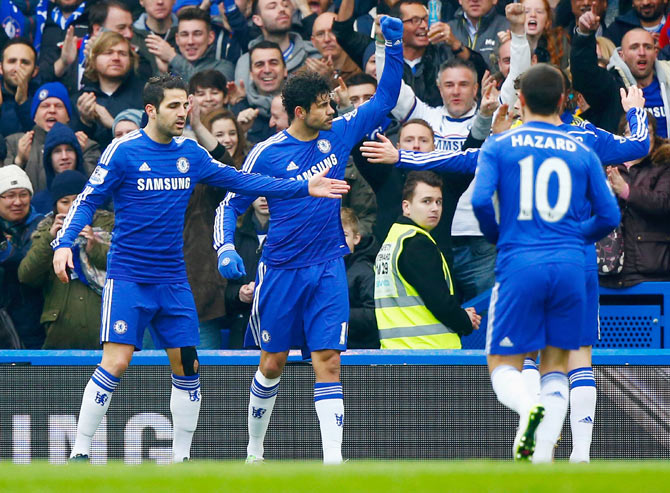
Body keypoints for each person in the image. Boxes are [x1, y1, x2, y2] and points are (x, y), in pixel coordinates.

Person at [51, 73, 350, 463]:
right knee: (117, 361)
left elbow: (242, 180)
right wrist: (63, 243)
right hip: (128, 277)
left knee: (189, 365)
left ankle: (181, 461)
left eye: (186, 105)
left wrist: (302, 186)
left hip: (174, 279)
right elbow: (88, 199)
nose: (183, 112)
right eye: (174, 105)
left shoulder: (191, 155)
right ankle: (79, 451)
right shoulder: (123, 151)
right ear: (151, 109)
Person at [215, 15, 404, 464]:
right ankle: (255, 452)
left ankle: (333, 464)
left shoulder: (338, 134)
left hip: (326, 268)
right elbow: (230, 205)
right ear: (301, 112)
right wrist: (224, 246)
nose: (333, 112)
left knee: (330, 362)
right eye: (324, 106)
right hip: (280, 270)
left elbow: (385, 100)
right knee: (272, 363)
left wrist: (391, 49)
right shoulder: (267, 152)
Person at [471, 64, 621, 463]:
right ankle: (541, 462)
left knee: (503, 364)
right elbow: (609, 216)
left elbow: (481, 201)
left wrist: (499, 236)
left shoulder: (500, 145)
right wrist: (574, 238)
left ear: (520, 100)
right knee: (557, 364)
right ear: (562, 101)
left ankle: (527, 407)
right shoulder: (582, 149)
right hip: (572, 266)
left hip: (521, 261)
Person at [374, 171, 480, 349]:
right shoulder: (417, 243)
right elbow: (440, 302)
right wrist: (465, 320)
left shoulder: (394, 240)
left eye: (438, 202)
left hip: (396, 350)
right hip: (429, 351)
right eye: (426, 201)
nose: (435, 208)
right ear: (406, 207)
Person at [19, 170, 114, 349]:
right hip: (60, 331)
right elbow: (26, 276)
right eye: (65, 202)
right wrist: (50, 239)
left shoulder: (109, 225)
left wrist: (95, 246)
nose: (73, 207)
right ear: (55, 206)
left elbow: (127, 267)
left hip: (104, 326)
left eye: (79, 199)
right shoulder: (44, 230)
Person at [572, 12, 670, 137]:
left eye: (647, 47)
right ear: (621, 55)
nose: (642, 52)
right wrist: (584, 35)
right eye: (634, 47)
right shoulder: (611, 86)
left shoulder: (668, 78)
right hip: (628, 156)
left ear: (656, 52)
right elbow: (583, 73)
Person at [600, 113, 670, 288]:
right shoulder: (609, 166)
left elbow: (663, 203)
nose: (640, 137)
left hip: (650, 267)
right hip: (609, 270)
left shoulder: (664, 165)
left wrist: (626, 191)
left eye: (647, 132)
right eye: (632, 132)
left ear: (654, 137)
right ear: (622, 138)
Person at [4, 82, 101, 193]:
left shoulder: (86, 145)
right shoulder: (14, 143)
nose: (52, 110)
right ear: (34, 116)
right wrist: (19, 161)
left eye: (58, 106)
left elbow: (99, 188)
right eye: (45, 106)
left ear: (68, 116)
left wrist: (80, 157)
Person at [76, 31, 145, 149]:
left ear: (131, 60)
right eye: (108, 53)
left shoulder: (145, 95)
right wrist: (85, 122)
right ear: (93, 59)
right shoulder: (81, 99)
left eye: (122, 54)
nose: (116, 58)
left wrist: (113, 124)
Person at [0, 165, 44, 349]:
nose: (17, 202)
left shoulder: (42, 226)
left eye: (23, 194)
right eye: (9, 195)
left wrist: (5, 249)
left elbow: (26, 266)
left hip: (34, 324)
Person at [147, 7, 235, 82]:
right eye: (184, 34)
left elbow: (204, 86)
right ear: (177, 39)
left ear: (210, 37)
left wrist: (173, 57)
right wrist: (163, 73)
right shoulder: (171, 68)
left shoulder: (224, 68)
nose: (190, 42)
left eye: (197, 34)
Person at [341, 207, 378, 349]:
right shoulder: (321, 269)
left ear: (356, 238)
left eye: (344, 235)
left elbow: (374, 314)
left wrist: (338, 314)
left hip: (361, 349)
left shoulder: (365, 271)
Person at [31, 122, 88, 214]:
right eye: (57, 151)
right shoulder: (38, 203)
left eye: (69, 149)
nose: (64, 156)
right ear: (49, 158)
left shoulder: (96, 195)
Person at [0, 39, 41, 137]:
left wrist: (23, 102)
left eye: (25, 62)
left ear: (35, 71)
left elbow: (40, 139)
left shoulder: (43, 98)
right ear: (1, 68)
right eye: (12, 61)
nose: (18, 68)